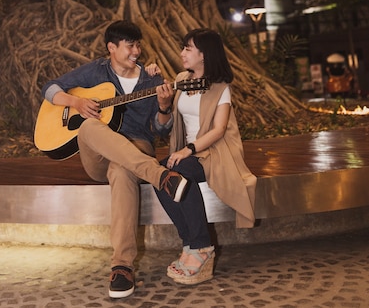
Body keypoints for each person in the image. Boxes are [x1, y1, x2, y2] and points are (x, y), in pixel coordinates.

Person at [41, 20, 188, 299]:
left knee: (122, 170)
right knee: (88, 126)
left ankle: (121, 266)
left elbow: (160, 130)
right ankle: (159, 176)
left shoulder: (152, 80)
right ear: (112, 47)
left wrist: (165, 108)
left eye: (138, 44)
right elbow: (49, 88)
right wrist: (76, 103)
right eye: (130, 45)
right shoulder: (96, 71)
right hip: (97, 154)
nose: (137, 50)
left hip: (136, 148)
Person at [155, 28, 257, 285]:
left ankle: (200, 246)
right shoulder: (180, 79)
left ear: (204, 54)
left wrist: (189, 149)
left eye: (188, 48)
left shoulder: (220, 87)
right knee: (158, 173)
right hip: (185, 152)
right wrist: (163, 104)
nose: (182, 53)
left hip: (213, 153)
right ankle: (190, 244)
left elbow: (219, 129)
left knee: (182, 174)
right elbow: (165, 123)